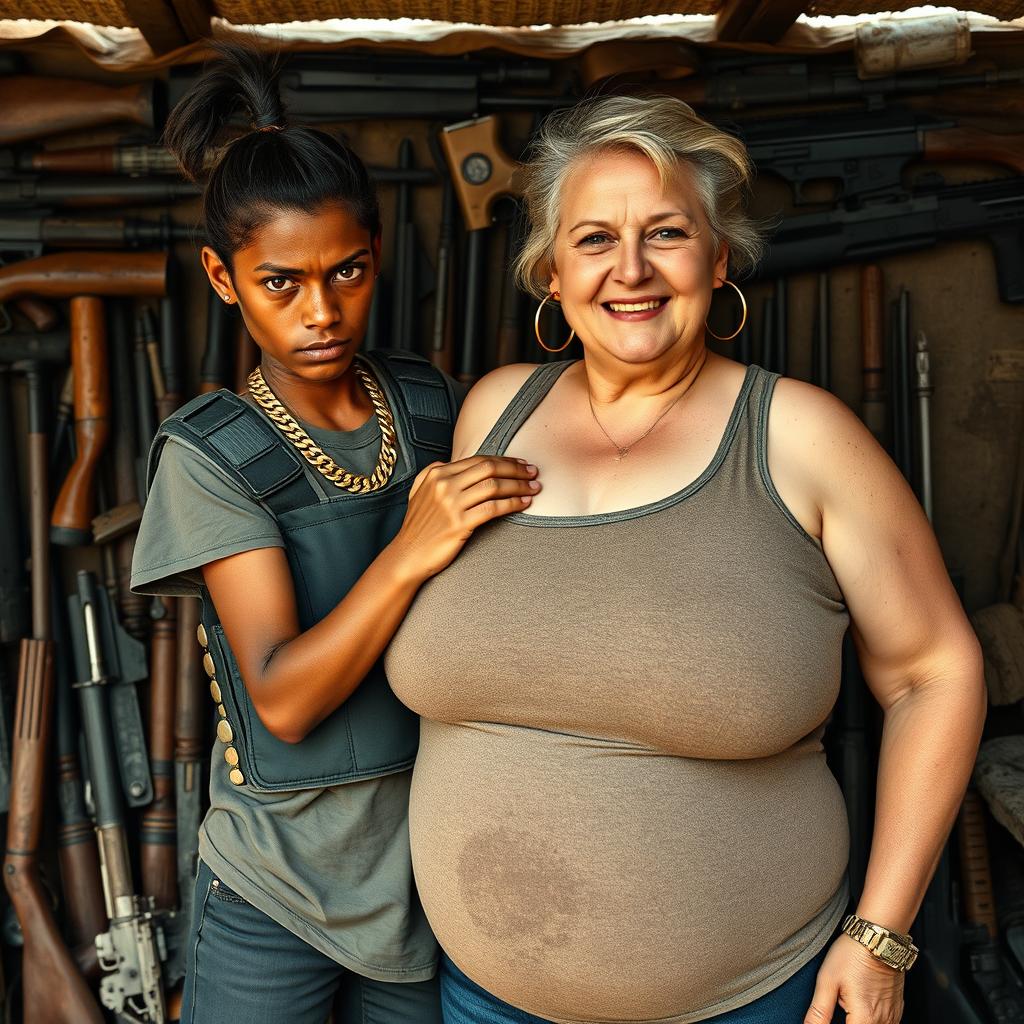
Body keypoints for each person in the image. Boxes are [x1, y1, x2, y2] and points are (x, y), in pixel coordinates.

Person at [384, 94, 987, 1024]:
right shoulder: (490, 415)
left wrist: (880, 937)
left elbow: (934, 674)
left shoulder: (800, 438)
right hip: (486, 1000)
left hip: (749, 1000)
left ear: (718, 257)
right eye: (593, 240)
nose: (631, 269)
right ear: (549, 273)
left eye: (665, 232)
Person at [131, 46, 541, 1024]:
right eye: (281, 283)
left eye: (346, 271)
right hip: (279, 888)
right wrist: (410, 547)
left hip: (426, 884)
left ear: (377, 252)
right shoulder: (211, 454)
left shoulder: (437, 408)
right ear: (222, 279)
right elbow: (283, 698)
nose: (321, 312)